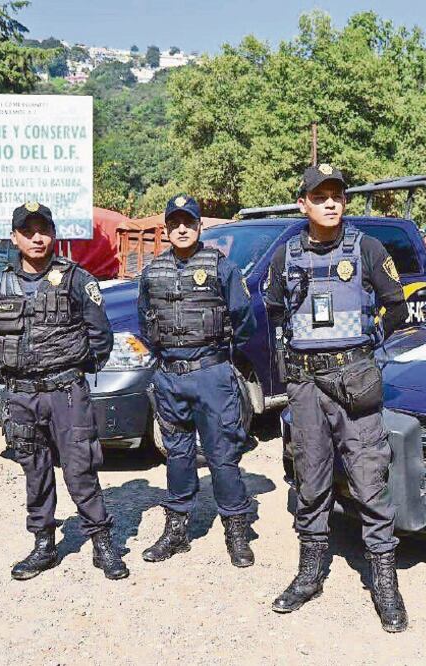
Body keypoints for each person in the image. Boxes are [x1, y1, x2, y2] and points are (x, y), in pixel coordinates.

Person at [264, 164, 410, 632]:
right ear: (302, 204)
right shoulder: (284, 256)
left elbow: (397, 306)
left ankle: (384, 582)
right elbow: (269, 311)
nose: (330, 203)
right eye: (319, 196)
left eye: (337, 195)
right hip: (305, 388)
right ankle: (310, 573)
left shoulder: (367, 248)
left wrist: (368, 347)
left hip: (354, 384)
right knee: (310, 481)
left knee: (370, 481)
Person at [0, 202, 128, 581]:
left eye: (43, 230)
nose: (37, 237)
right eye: (28, 231)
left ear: (53, 233)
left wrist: (77, 373)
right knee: (35, 471)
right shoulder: (0, 283)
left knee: (81, 469)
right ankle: (43, 545)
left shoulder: (77, 279)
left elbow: (101, 336)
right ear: (14, 237)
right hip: (21, 396)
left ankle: (102, 543)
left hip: (66, 393)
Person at [137, 194, 257, 568]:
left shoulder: (222, 268)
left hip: (211, 375)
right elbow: (145, 321)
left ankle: (236, 531)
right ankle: (176, 531)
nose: (182, 229)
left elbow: (244, 321)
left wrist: (218, 361)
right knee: (177, 454)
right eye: (175, 224)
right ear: (167, 229)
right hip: (170, 377)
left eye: (188, 222)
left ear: (199, 225)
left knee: (222, 456)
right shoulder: (152, 271)